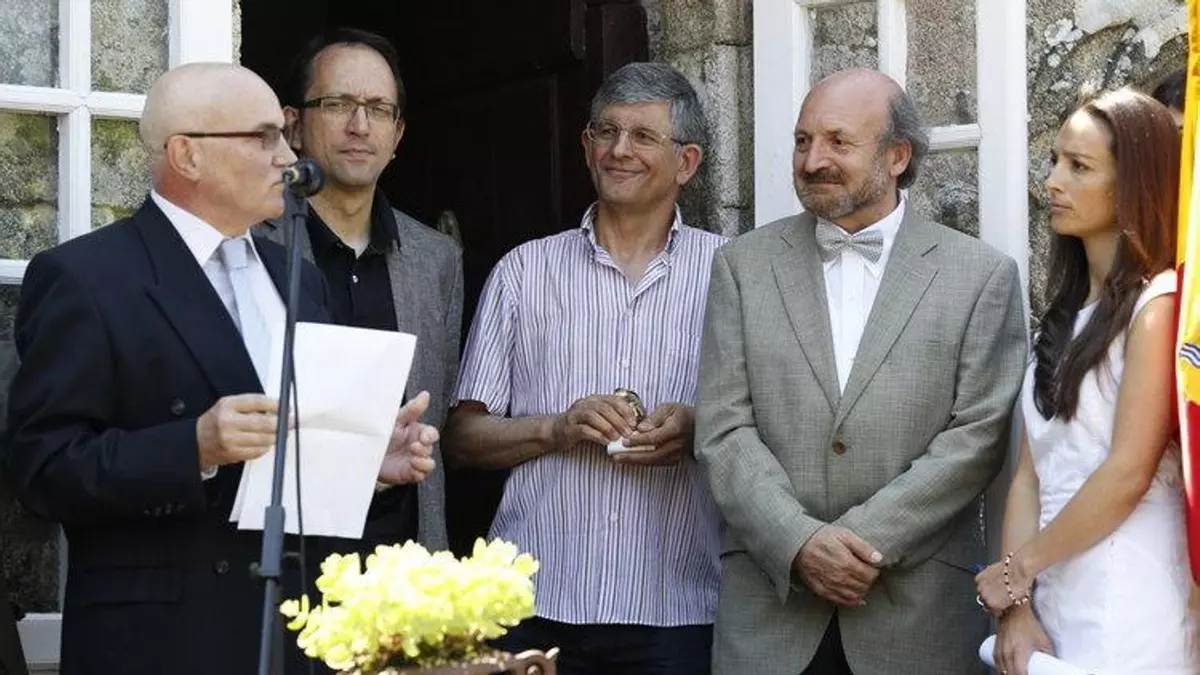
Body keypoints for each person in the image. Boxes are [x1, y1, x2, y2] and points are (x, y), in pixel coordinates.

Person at [2, 62, 439, 675]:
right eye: (263, 137)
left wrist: (366, 460)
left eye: (283, 134)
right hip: (164, 641)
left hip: (296, 632)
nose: (288, 156)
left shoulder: (297, 276)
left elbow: (288, 461)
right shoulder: (86, 278)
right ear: (187, 155)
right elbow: (42, 470)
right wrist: (193, 446)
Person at [695, 68, 1027, 675]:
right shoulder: (741, 267)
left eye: (837, 142)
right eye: (802, 141)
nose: (812, 160)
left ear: (897, 156)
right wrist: (798, 542)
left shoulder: (981, 276)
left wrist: (863, 544)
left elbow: (977, 436)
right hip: (770, 619)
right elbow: (723, 428)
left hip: (917, 621)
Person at [442, 62, 724, 675]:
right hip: (530, 601)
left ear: (687, 163)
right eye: (606, 131)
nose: (619, 150)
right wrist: (558, 428)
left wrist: (698, 429)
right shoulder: (523, 272)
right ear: (585, 145)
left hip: (676, 607)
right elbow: (461, 439)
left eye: (643, 136)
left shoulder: (731, 273)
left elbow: (771, 423)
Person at [975, 88, 1197, 675]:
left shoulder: (1159, 304)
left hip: (1129, 598)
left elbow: (1127, 472)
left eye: (1079, 166)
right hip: (1051, 597)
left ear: (1132, 185)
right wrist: (1017, 608)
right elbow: (1028, 477)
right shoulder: (1064, 316)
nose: (1052, 181)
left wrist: (1017, 570)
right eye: (1055, 161)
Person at [256, 27, 462, 554]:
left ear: (398, 134)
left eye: (378, 109)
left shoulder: (437, 258)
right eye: (338, 104)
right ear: (293, 126)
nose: (360, 125)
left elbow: (437, 419)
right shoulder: (249, 244)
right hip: (285, 562)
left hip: (405, 564)